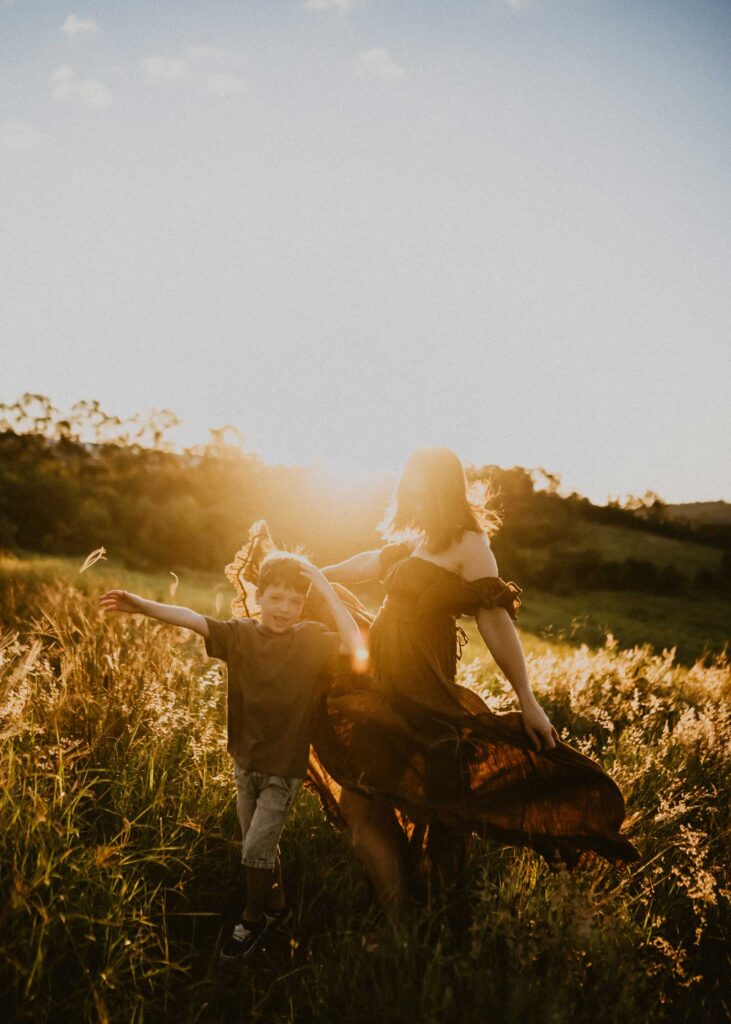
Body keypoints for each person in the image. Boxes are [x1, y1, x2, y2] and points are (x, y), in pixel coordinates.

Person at [305, 446, 639, 925]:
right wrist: (315, 576)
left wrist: (528, 700)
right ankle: (404, 918)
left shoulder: (469, 544)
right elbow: (373, 561)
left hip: (419, 687)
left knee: (400, 803)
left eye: (417, 481)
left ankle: (407, 928)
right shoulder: (418, 541)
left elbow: (495, 621)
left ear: (440, 485)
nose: (408, 490)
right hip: (383, 677)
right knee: (366, 807)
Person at [99, 551, 364, 960]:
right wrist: (141, 605)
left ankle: (251, 919)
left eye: (295, 601)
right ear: (259, 596)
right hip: (246, 764)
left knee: (255, 848)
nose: (284, 609)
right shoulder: (239, 635)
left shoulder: (311, 639)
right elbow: (190, 617)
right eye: (276, 598)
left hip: (284, 770)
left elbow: (356, 647)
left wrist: (326, 590)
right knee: (259, 845)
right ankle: (277, 906)